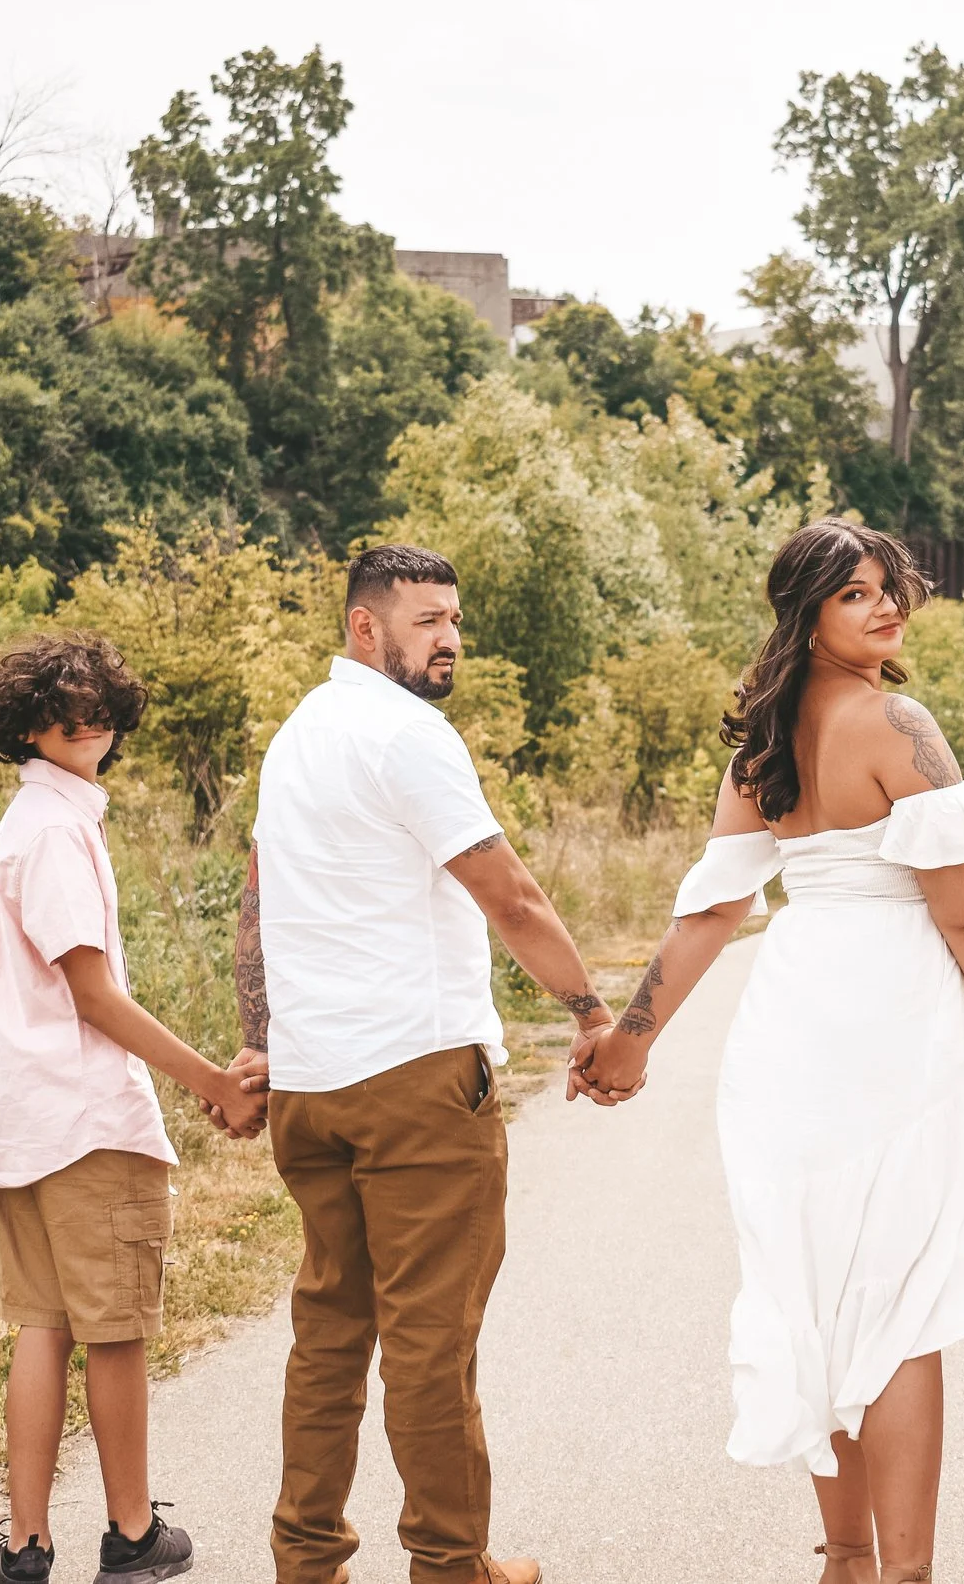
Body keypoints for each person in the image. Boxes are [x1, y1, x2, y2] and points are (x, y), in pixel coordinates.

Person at [576, 519, 964, 1584]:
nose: (885, 606)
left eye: (889, 586)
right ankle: (904, 1571)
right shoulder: (898, 721)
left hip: (793, 1023)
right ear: (808, 613)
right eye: (854, 594)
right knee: (901, 1303)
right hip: (894, 1024)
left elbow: (713, 909)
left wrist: (632, 1039)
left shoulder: (764, 737)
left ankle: (845, 1555)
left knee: (818, 1291)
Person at [234, 544, 615, 1584]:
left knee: (328, 1329)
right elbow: (513, 897)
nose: (447, 638)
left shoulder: (296, 737)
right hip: (414, 1081)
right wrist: (587, 1010)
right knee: (428, 1342)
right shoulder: (410, 735)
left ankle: (305, 1561)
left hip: (312, 1088)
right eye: (424, 620)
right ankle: (451, 1566)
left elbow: (259, 906)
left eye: (453, 618)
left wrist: (262, 1036)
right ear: (366, 627)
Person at [0, 632, 267, 1584]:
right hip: (84, 1122)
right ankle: (132, 1537)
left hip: (25, 1124)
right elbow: (92, 994)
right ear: (27, 721)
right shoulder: (55, 831)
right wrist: (214, 1084)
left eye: (100, 704)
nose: (87, 719)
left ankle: (24, 1548)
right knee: (114, 1329)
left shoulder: (35, 821)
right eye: (66, 706)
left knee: (44, 1325)